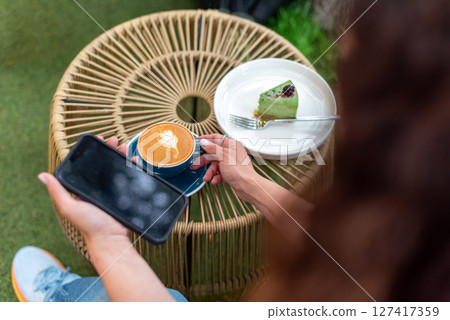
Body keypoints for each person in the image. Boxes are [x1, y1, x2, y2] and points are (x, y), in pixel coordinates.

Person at [12, 0, 450, 301]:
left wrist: (106, 242)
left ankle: (70, 298)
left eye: (346, 73)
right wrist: (252, 183)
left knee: (158, 298)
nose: (336, 92)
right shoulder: (413, 250)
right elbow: (350, 254)